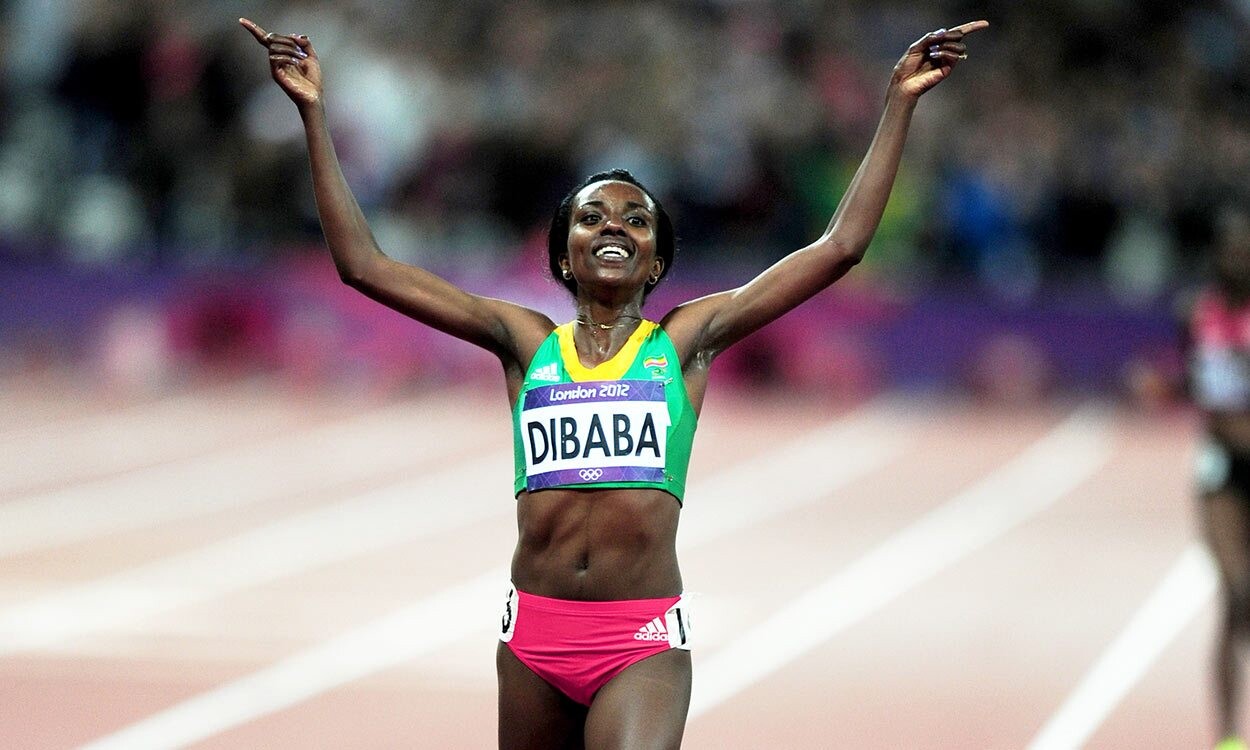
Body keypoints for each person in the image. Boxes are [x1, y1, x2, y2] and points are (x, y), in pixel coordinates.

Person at [240, 15, 986, 749]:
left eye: (635, 221)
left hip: (640, 639)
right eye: (592, 217)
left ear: (656, 261)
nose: (613, 227)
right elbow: (363, 267)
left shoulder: (686, 341)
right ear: (562, 253)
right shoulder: (524, 342)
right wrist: (314, 115)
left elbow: (841, 246)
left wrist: (897, 104)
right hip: (532, 637)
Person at [1190, 206, 1250, 750]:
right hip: (1221, 470)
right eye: (1228, 251)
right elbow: (1194, 381)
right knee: (1234, 592)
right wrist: (1160, 384)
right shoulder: (1197, 313)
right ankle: (1228, 737)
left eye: (1244, 251)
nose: (1235, 260)